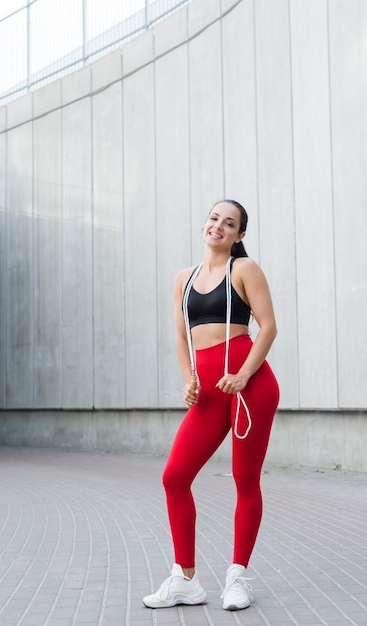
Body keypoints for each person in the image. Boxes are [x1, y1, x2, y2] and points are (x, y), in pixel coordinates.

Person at [142, 199, 280, 611]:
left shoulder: (244, 269)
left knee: (245, 479)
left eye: (230, 223)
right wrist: (189, 381)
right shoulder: (183, 278)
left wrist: (243, 375)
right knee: (174, 477)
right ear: (205, 223)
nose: (218, 226)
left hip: (249, 386)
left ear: (239, 235)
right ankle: (185, 579)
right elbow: (181, 336)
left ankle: (237, 576)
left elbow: (269, 326)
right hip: (208, 391)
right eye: (214, 218)